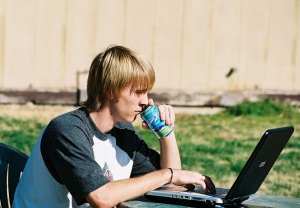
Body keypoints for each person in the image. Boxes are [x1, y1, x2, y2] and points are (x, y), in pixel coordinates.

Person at [13, 45, 215, 208]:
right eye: (138, 92)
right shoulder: (67, 130)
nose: (146, 101)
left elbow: (170, 183)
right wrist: (168, 175)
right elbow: (101, 198)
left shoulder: (124, 133)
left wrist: (166, 132)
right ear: (110, 90)